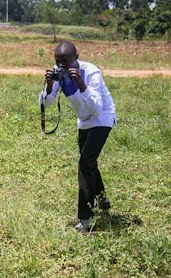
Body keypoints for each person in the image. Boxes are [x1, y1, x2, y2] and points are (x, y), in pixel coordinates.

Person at [39, 40, 116, 233]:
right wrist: (49, 86)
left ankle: (85, 219)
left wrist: (81, 84)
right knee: (89, 161)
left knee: (85, 163)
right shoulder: (59, 74)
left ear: (77, 58)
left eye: (66, 61)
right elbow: (46, 104)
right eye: (58, 61)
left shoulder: (91, 72)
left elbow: (96, 108)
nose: (61, 66)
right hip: (84, 120)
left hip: (102, 117)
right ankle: (102, 200)